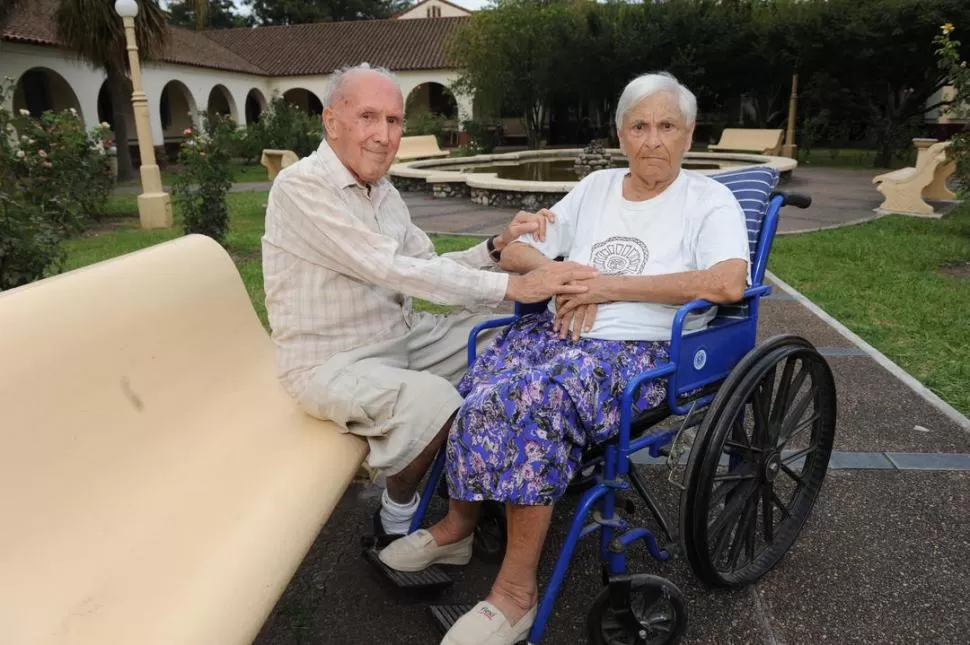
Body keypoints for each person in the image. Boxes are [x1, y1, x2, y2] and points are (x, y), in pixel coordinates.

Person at [377, 71, 751, 645]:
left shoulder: (708, 199)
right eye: (639, 126)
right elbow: (520, 249)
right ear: (621, 133)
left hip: (644, 352)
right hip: (560, 335)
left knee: (535, 400)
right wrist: (554, 274)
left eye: (667, 126)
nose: (653, 140)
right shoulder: (597, 187)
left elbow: (728, 282)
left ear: (690, 132)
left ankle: (515, 594)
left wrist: (609, 287)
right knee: (477, 378)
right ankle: (458, 527)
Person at [261, 63, 599, 540]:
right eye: (368, 117)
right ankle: (396, 511)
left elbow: (426, 261)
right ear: (331, 121)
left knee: (512, 340)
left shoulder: (383, 192)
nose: (383, 135)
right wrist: (513, 287)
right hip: (328, 362)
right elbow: (390, 268)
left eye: (394, 121)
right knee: (436, 402)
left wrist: (495, 249)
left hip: (399, 339)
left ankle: (511, 469)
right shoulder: (300, 188)